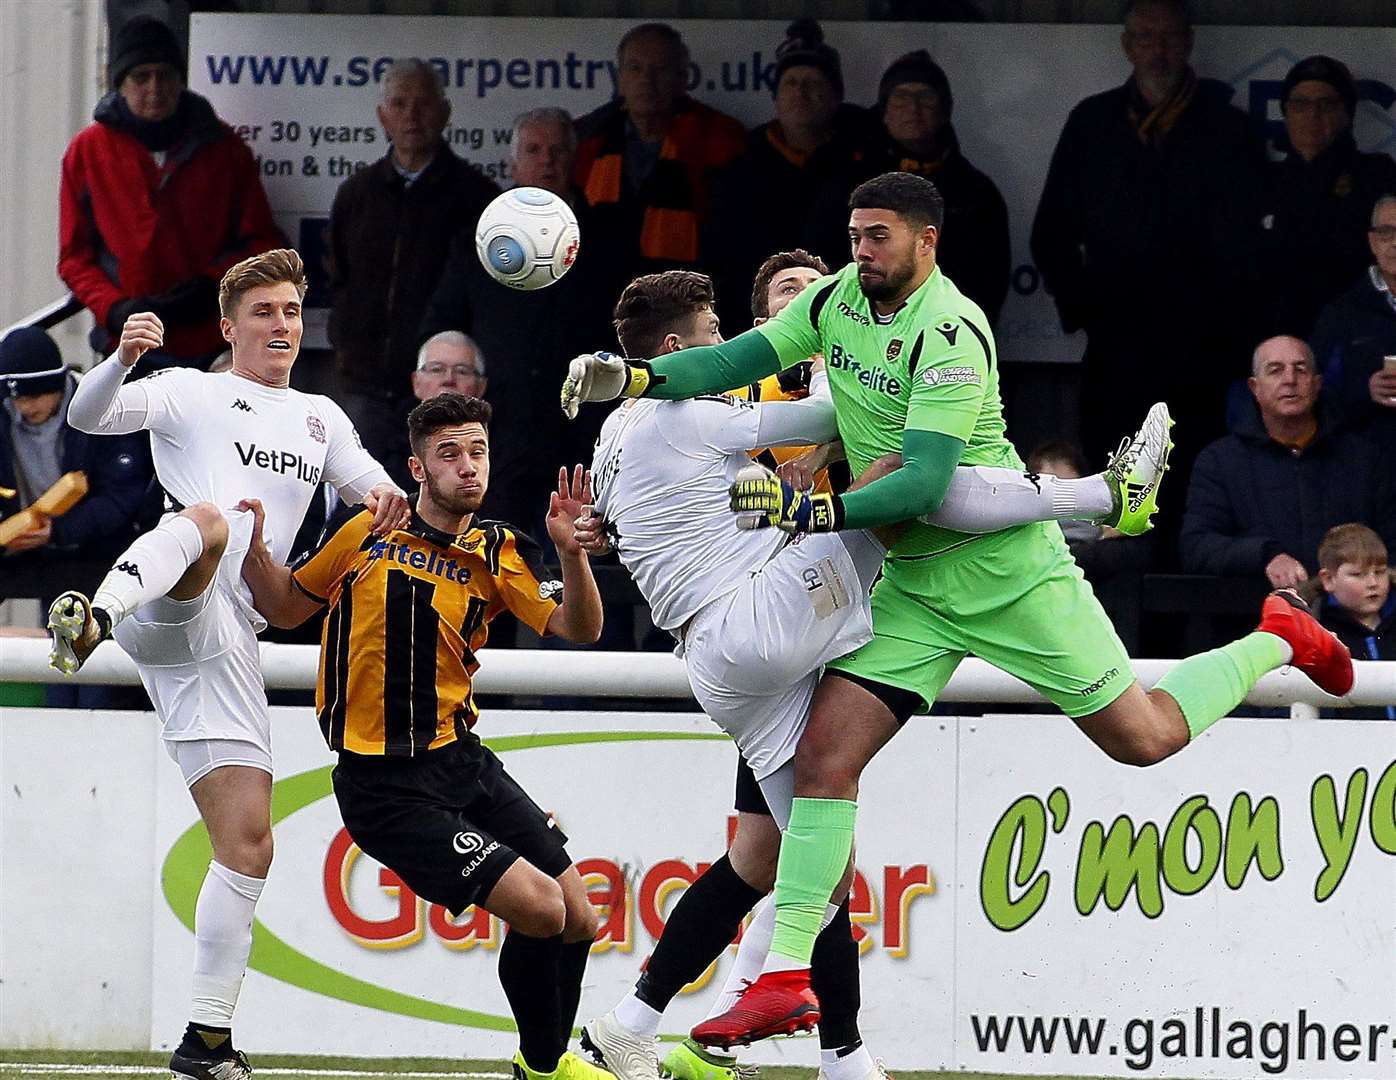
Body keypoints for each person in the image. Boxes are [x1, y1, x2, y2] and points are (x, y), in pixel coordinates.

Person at [560, 171, 1353, 1042]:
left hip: (1008, 573)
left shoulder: (951, 330)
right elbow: (732, 362)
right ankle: (785, 978)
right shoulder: (835, 303)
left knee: (1146, 738)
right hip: (911, 587)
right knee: (826, 763)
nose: (859, 252)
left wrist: (809, 506)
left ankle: (1275, 635)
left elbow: (928, 483)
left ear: (926, 241)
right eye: (854, 234)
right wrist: (633, 376)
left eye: (877, 237)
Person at [572, 260, 1180, 1072]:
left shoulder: (617, 434)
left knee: (816, 863)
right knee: (902, 470)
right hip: (758, 624)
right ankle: (1103, 498)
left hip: (718, 667)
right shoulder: (686, 410)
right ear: (681, 346)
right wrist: (886, 378)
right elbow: (844, 413)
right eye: (724, 334)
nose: (735, 349)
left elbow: (684, 505)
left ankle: (775, 1050)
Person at [44, 248, 409, 1080]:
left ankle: (205, 1041)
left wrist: (394, 502)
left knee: (248, 847)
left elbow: (376, 493)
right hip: (167, 596)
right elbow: (90, 419)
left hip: (227, 637)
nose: (281, 326)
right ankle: (93, 614)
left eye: (290, 311)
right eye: (265, 313)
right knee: (209, 521)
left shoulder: (321, 416)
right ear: (229, 327)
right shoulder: (191, 389)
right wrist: (125, 357)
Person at [236, 392, 610, 1080]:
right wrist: (253, 550)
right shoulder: (368, 533)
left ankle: (543, 1064)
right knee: (540, 908)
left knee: (580, 916)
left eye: (478, 452)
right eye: (450, 454)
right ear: (415, 467)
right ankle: (547, 1064)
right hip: (385, 787)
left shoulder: (498, 549)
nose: (468, 467)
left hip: (461, 762)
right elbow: (288, 605)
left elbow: (582, 630)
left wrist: (572, 555)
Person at [1030, 0, 1259, 483]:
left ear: (1189, 42)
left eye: (1169, 37)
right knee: (1115, 464)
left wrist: (1227, 321)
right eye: (1146, 38)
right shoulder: (1093, 122)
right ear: (1127, 45)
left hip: (1203, 343)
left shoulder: (1228, 127)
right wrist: (1085, 307)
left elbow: (1249, 243)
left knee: (1197, 463)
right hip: (1118, 338)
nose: (1159, 51)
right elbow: (1052, 232)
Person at [420, 107, 620, 537]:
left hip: (580, 435)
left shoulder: (608, 239)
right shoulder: (478, 239)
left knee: (579, 563)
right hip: (497, 433)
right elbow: (444, 325)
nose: (546, 160)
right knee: (496, 558)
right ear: (513, 164)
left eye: (557, 150)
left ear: (575, 159)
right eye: (534, 150)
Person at [59, 16, 284, 370]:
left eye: (165, 74)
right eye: (140, 76)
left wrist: (212, 289)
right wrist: (115, 308)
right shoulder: (87, 152)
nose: (154, 88)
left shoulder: (224, 149)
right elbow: (74, 258)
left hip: (209, 343)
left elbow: (262, 241)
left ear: (181, 79)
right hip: (127, 346)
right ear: (118, 82)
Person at [327, 58, 500, 466]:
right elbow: (339, 276)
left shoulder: (475, 197)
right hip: (364, 387)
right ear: (382, 116)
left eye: (422, 104)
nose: (411, 115)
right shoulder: (357, 193)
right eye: (400, 104)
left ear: (444, 113)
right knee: (365, 508)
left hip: (440, 387)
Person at [809, 49, 1010, 325]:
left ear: (944, 110)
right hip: (859, 333)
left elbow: (991, 281)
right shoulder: (847, 184)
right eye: (902, 97)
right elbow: (823, 265)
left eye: (925, 98)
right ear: (884, 111)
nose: (913, 109)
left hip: (945, 333)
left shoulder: (975, 191)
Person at [1180, 336, 1396, 588]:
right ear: (1254, 388)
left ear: (1317, 384)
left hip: (1348, 618)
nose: (1290, 380)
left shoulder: (1365, 458)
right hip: (1256, 617)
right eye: (1275, 370)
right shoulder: (1219, 461)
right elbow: (1196, 545)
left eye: (1300, 369)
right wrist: (1265, 556)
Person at [703, 20, 873, 332]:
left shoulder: (863, 168)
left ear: (836, 96)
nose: (801, 93)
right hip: (751, 326)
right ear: (775, 96)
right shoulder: (739, 170)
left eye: (813, 83)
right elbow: (720, 260)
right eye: (791, 83)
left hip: (842, 324)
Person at [573, 23, 746, 282]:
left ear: (682, 79)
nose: (646, 79)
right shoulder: (587, 138)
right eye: (635, 68)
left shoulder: (720, 138)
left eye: (660, 70)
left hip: (685, 293)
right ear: (619, 78)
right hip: (596, 292)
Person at [1254, 57, 1396, 339]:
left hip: (1354, 339)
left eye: (1326, 104)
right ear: (1285, 113)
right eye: (1300, 104)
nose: (1313, 114)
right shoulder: (1261, 182)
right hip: (1278, 345)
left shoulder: (1376, 177)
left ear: (1347, 113)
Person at [0, 326, 150, 565]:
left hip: (99, 548)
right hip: (21, 548)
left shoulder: (102, 408)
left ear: (58, 388)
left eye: (35, 397)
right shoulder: (4, 418)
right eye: (18, 399)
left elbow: (123, 491)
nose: (25, 407)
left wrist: (60, 530)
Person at [1310, 194, 1396, 454]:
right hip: (1368, 459)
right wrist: (1365, 390)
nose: (1395, 242)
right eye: (1385, 232)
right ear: (1372, 241)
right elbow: (1314, 393)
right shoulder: (1343, 312)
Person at [375, 330, 489, 490]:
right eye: (437, 369)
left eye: (462, 371)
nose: (448, 380)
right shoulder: (381, 439)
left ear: (481, 386)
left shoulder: (504, 446)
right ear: (416, 382)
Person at [1310, 524, 1396, 720]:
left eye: (1380, 571)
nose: (1373, 583)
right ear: (1328, 579)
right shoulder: (1315, 631)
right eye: (1359, 574)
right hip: (1346, 744)